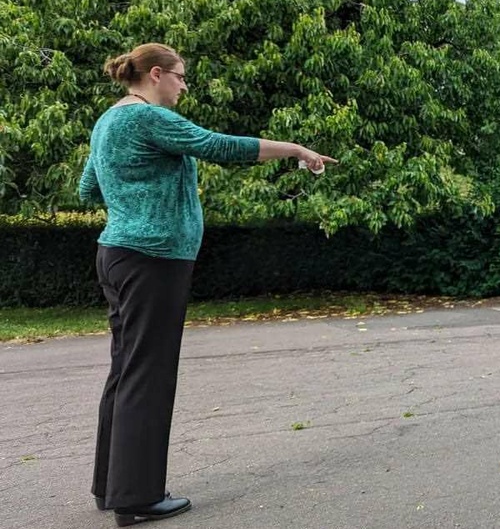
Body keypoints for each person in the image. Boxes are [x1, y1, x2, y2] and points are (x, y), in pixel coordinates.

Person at [79, 43, 336, 525]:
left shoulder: (106, 122)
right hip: (152, 259)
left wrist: (134, 197)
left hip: (116, 254)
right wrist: (296, 149)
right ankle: (135, 497)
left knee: (126, 370)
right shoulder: (145, 118)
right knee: (148, 374)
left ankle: (110, 486)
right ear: (155, 74)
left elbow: (88, 188)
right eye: (181, 77)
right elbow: (221, 146)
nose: (183, 86)